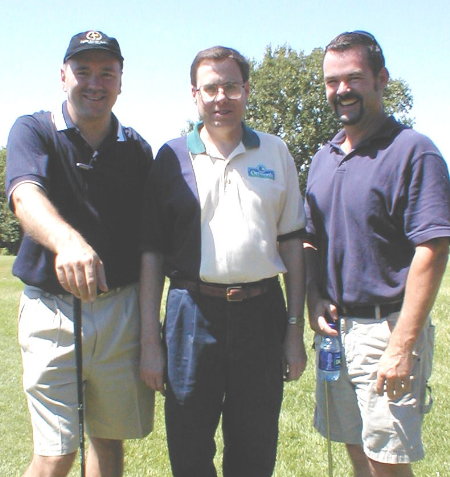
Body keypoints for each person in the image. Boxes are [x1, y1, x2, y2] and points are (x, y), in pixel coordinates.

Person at [139, 45, 307, 477]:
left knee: (255, 446)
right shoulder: (172, 157)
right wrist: (150, 342)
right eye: (211, 88)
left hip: (262, 313)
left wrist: (294, 330)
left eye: (231, 86)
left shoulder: (275, 152)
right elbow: (152, 254)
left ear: (247, 90)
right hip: (191, 314)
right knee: (189, 447)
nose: (221, 97)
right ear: (194, 94)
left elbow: (292, 243)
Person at [6, 30, 154, 477]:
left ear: (121, 81)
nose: (94, 83)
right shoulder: (34, 129)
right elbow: (24, 194)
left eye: (107, 73)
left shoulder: (137, 148)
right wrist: (67, 241)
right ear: (63, 75)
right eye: (83, 71)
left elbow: (150, 241)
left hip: (120, 310)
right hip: (52, 312)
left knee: (107, 442)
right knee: (56, 453)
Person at [304, 31, 450, 477]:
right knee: (354, 445)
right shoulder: (324, 157)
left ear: (381, 79)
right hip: (337, 331)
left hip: (386, 329)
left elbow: (433, 248)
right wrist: (313, 296)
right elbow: (311, 239)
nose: (342, 90)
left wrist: (402, 346)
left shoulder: (413, 151)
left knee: (386, 459)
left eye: (353, 78)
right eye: (332, 81)